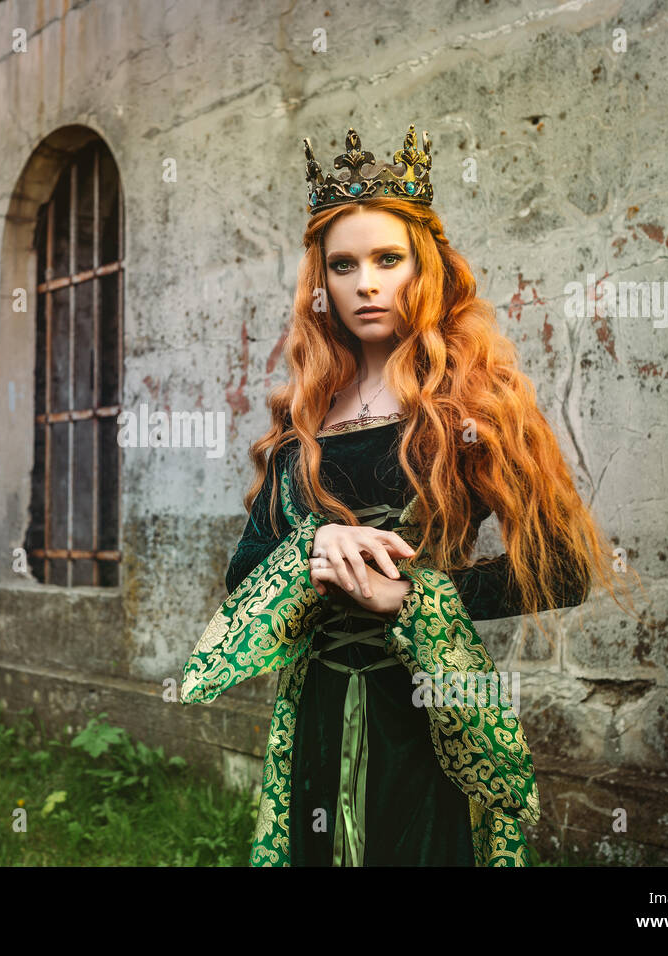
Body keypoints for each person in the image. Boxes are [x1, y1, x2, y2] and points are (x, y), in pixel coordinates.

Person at [182, 126, 637, 866]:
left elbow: (560, 569)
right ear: (320, 284)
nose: (366, 283)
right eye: (344, 265)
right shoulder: (303, 420)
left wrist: (412, 599)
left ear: (423, 268)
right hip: (318, 711)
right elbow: (244, 578)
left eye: (387, 260)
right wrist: (313, 545)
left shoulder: (474, 408)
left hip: (427, 704)